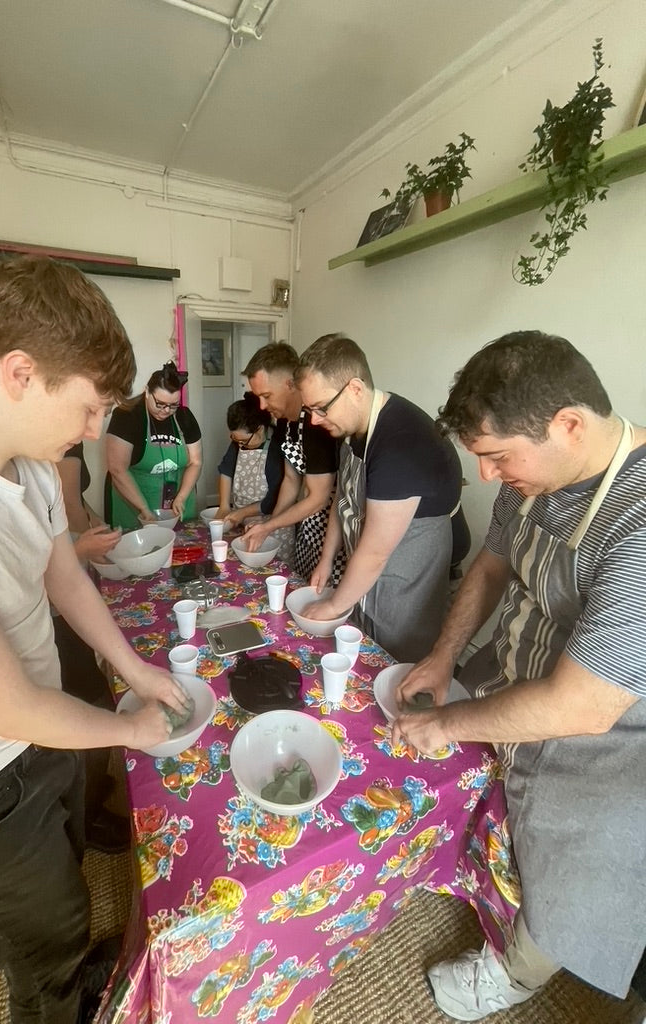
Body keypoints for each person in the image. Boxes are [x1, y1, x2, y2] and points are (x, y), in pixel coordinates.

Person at [0, 255, 189, 1024]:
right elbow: (7, 708)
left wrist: (134, 669)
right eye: (87, 408)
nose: (94, 430)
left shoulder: (34, 469)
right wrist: (127, 729)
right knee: (43, 941)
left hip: (35, 729)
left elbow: (64, 579)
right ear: (19, 373)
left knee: (69, 881)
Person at [394, 331, 646, 1020]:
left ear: (569, 425)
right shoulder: (535, 478)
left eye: (497, 457)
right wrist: (445, 655)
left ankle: (518, 973)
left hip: (612, 736)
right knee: (495, 818)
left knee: (577, 865)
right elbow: (490, 565)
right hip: (520, 673)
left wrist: (447, 721)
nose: (485, 477)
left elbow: (584, 705)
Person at [295, 334, 463, 664]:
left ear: (355, 389)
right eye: (308, 409)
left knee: (396, 663)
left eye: (320, 408)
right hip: (371, 570)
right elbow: (342, 499)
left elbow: (374, 553)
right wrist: (326, 560)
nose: (313, 419)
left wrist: (331, 606)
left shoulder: (401, 441)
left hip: (408, 577)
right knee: (362, 653)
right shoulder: (351, 428)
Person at [55, 442, 129, 855]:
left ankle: (94, 790)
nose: (93, 428)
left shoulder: (67, 437)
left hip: (62, 595)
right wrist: (82, 547)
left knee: (93, 691)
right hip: (49, 611)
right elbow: (64, 508)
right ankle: (85, 818)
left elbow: (74, 501)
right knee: (92, 702)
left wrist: (95, 527)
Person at [243, 342, 344, 582]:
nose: (262, 406)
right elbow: (291, 479)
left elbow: (318, 499)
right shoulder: (284, 422)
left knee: (323, 594)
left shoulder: (316, 424)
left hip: (332, 529)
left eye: (266, 396)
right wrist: (271, 526)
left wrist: (270, 526)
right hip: (307, 526)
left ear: (290, 384)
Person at [104, 361, 202, 529]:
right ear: (147, 392)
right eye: (160, 404)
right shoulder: (127, 416)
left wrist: (181, 497)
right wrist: (143, 509)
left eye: (173, 406)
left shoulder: (184, 417)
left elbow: (195, 462)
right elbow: (118, 469)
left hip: (178, 501)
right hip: (134, 504)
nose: (166, 411)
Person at [215, 392, 292, 558]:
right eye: (236, 440)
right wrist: (224, 506)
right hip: (244, 522)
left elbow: (274, 499)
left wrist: (242, 512)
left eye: (244, 441)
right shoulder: (239, 443)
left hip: (273, 524)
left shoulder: (276, 448)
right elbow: (226, 471)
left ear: (260, 430)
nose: (240, 445)